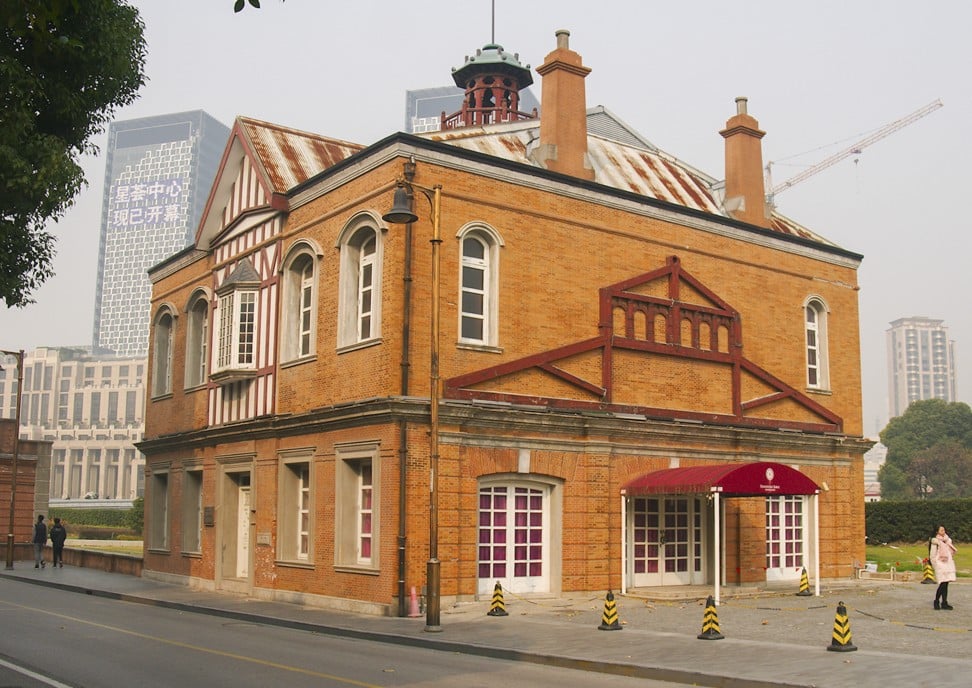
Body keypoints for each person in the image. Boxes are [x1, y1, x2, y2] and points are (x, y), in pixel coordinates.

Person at [930, 525, 958, 610]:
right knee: (942, 584)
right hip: (940, 564)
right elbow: (932, 555)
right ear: (937, 532)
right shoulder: (936, 542)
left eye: (944, 530)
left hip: (948, 564)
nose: (943, 531)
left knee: (946, 584)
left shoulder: (947, 540)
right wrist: (935, 565)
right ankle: (936, 601)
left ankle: (944, 602)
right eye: (941, 530)